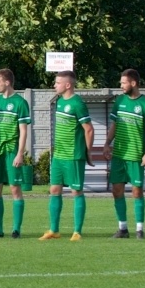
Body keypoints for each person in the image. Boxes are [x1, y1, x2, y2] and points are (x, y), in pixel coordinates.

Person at [40, 70, 93, 241]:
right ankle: (54, 230)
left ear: (68, 85)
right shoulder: (60, 102)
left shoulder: (77, 104)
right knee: (54, 190)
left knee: (76, 191)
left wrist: (88, 151)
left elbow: (89, 129)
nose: (54, 85)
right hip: (59, 155)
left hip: (73, 155)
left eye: (57, 82)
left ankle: (77, 231)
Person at [105, 69, 145, 239]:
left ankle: (139, 229)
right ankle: (123, 229)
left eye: (123, 83)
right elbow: (115, 125)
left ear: (133, 83)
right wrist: (106, 144)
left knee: (137, 192)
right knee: (116, 191)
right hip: (119, 155)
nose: (121, 86)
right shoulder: (119, 101)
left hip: (135, 156)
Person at [0, 68, 32, 238]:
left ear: (7, 82)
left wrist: (20, 153)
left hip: (11, 150)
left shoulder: (20, 103)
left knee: (14, 188)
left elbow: (24, 131)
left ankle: (16, 229)